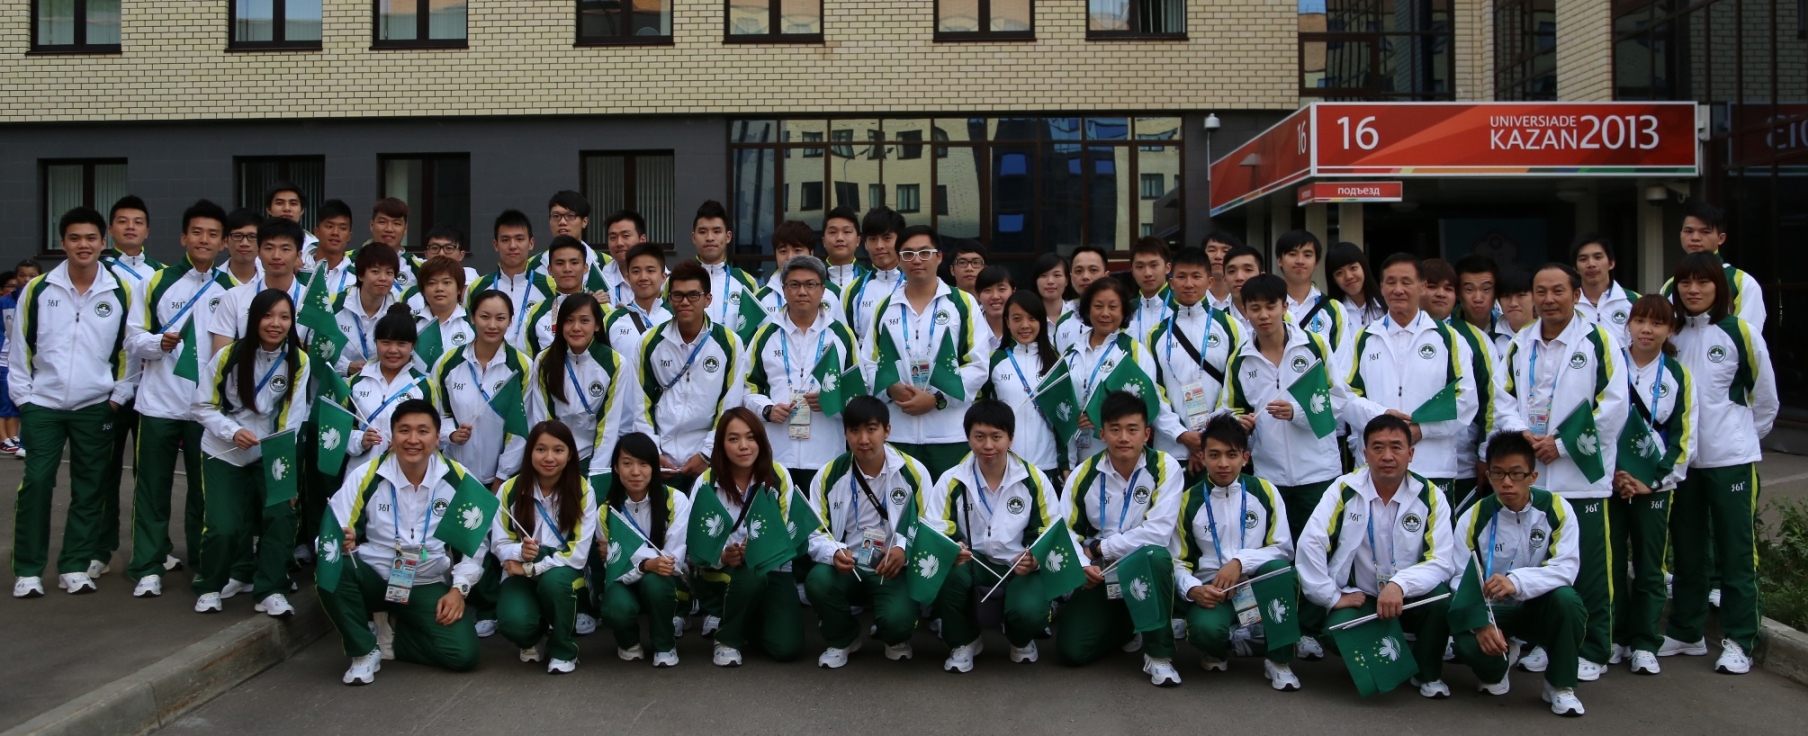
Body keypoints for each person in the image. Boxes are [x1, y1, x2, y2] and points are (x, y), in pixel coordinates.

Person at [1491, 263, 1628, 682]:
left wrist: (1562, 444)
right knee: (1538, 562)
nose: (1549, 299)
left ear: (1575, 294)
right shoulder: (1520, 343)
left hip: (1580, 477)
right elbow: (1503, 399)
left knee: (1589, 570)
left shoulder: (1598, 340)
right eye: (1541, 291)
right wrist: (1523, 436)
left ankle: (1594, 648)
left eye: (1558, 291)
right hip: (1535, 475)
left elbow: (1613, 406)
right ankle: (1544, 642)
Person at [7, 208, 137, 598]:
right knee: (37, 483)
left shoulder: (119, 290)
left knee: (90, 488)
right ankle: (28, 570)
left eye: (91, 238)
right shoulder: (38, 289)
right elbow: (19, 348)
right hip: (43, 405)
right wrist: (25, 399)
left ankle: (75, 565)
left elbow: (129, 351)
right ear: (62, 242)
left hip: (95, 405)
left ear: (103, 242)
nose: (84, 245)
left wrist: (117, 397)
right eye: (75, 238)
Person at [1660, 253, 1776, 675]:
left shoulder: (1739, 331)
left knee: (1735, 552)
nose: (1693, 290)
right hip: (1683, 464)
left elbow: (1766, 399)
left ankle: (1740, 640)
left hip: (1730, 461)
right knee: (1688, 549)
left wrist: (1738, 438)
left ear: (1719, 287)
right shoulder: (1671, 335)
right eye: (1685, 283)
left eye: (1702, 282)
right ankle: (1686, 631)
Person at [320, 399, 485, 685]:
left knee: (463, 655)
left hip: (425, 580)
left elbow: (476, 543)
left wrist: (459, 589)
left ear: (437, 437)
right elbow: (328, 536)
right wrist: (341, 539)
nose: (413, 440)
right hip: (376, 576)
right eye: (404, 430)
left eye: (423, 431)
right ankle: (363, 651)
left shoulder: (459, 478)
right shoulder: (366, 475)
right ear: (392, 435)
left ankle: (395, 635)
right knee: (333, 569)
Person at [1297, 415, 1457, 698]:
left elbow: (1441, 561)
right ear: (1365, 453)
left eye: (1396, 447)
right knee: (1334, 632)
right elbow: (1311, 542)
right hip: (1363, 596)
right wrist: (1331, 597)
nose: (1387, 456)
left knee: (1440, 601)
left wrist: (1400, 585)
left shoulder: (1431, 495)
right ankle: (1393, 653)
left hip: (1411, 595)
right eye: (1378, 447)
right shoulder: (1344, 489)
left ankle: (1427, 673)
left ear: (1410, 454)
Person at [124, 200, 237, 597]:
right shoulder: (155, 282)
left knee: (204, 492)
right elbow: (132, 339)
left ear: (223, 243)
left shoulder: (232, 290)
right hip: (159, 403)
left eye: (212, 234)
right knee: (152, 489)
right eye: (197, 232)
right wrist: (158, 343)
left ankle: (204, 566)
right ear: (183, 237)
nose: (204, 240)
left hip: (206, 409)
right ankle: (147, 565)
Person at [190, 288, 312, 615]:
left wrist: (285, 473)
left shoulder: (298, 360)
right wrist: (232, 431)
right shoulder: (228, 355)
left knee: (281, 516)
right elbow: (201, 406)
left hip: (270, 453)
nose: (276, 324)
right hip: (224, 451)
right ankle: (211, 585)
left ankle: (270, 589)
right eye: (268, 316)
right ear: (254, 319)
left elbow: (292, 419)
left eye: (284, 317)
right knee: (223, 525)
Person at [1449, 431, 1588, 716]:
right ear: (1488, 476)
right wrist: (1480, 622)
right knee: (1469, 646)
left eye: (1516, 474)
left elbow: (1566, 568)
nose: (1507, 483)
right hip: (1493, 611)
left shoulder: (1557, 508)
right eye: (1498, 474)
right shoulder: (1474, 517)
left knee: (1568, 601)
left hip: (1536, 607)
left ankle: (1559, 686)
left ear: (1533, 477)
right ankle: (1499, 661)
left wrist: (1516, 582)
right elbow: (1457, 578)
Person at [923, 399, 1064, 672]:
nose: (988, 445)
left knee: (1029, 612)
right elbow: (936, 528)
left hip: (1018, 566)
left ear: (1011, 438)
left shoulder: (1034, 479)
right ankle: (965, 641)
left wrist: (1035, 557)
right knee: (943, 575)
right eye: (979, 437)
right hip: (972, 563)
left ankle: (1020, 638)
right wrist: (952, 549)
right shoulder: (952, 479)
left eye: (996, 437)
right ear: (968, 438)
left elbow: (1049, 530)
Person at [1057, 391, 1186, 686]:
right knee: (1072, 652)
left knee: (1156, 555)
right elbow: (1065, 531)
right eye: (1115, 430)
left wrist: (1100, 547)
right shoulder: (1082, 474)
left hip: (1144, 567)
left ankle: (1159, 655)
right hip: (1101, 573)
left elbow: (1157, 533)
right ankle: (1129, 625)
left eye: (1132, 429)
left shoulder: (1165, 467)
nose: (1123, 438)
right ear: (1102, 434)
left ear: (1147, 433)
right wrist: (1082, 566)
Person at [802, 395, 933, 667]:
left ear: (887, 430)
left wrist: (903, 549)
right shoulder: (829, 474)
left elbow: (928, 524)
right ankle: (843, 638)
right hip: (848, 565)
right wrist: (834, 552)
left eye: (872, 429)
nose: (863, 439)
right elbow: (815, 532)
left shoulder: (913, 472)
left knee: (896, 624)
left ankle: (892, 634)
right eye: (854, 430)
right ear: (845, 433)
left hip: (893, 568)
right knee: (818, 580)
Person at [1341, 254, 1478, 506]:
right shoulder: (1364, 338)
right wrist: (1383, 419)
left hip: (1433, 466)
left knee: (1433, 530)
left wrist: (1422, 431)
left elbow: (1466, 399)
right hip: (1375, 466)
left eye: (1406, 282)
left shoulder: (1448, 338)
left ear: (1422, 286)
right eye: (1391, 282)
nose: (1398, 289)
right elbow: (1343, 396)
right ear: (1381, 287)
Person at [1221, 274, 1347, 547]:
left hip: (1319, 472)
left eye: (1271, 306)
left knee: (1322, 548)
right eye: (1255, 308)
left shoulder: (1314, 345)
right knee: (1279, 550)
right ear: (1245, 311)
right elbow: (1229, 410)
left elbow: (1338, 399)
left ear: (1285, 306)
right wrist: (1239, 423)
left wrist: (1297, 412)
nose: (1264, 315)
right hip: (1270, 475)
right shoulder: (1239, 360)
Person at [1176, 415, 1300, 690]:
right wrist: (1194, 589)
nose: (1223, 463)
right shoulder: (1188, 500)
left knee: (1280, 571)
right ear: (1202, 457)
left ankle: (1278, 660)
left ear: (1245, 457)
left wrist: (1241, 562)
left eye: (1231, 455)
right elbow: (1178, 560)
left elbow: (1283, 549)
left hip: (1257, 585)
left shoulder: (1264, 491)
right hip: (1214, 591)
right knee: (1205, 631)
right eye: (1215, 455)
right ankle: (1220, 647)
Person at [1611, 294, 1697, 675]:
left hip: (1654, 487)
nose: (1647, 330)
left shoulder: (1678, 375)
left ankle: (1645, 641)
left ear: (1670, 329)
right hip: (1611, 482)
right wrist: (1613, 475)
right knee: (1611, 564)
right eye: (1640, 321)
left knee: (1650, 565)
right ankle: (1614, 636)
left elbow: (1684, 437)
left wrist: (1655, 481)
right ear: (1628, 324)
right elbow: (1593, 423)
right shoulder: (1610, 365)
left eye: (1657, 323)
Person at [862, 225, 991, 478]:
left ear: (939, 257)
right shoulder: (885, 308)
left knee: (949, 501)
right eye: (908, 254)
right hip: (898, 433)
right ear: (899, 260)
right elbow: (869, 363)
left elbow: (977, 365)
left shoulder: (962, 304)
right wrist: (890, 388)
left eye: (924, 252)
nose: (916, 260)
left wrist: (937, 398)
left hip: (950, 435)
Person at [689, 408, 802, 666]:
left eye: (751, 437)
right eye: (733, 439)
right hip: (723, 571)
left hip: (772, 568)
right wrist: (723, 556)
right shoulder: (706, 480)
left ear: (761, 441)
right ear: (721, 445)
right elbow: (695, 542)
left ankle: (743, 619)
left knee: (786, 648)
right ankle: (727, 639)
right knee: (749, 578)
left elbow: (785, 530)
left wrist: (759, 549)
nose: (744, 446)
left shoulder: (778, 475)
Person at [491, 420, 599, 674]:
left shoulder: (582, 489)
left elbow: (578, 553)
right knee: (514, 623)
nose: (549, 458)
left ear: (570, 454)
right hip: (519, 567)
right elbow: (499, 542)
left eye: (558, 450)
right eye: (540, 449)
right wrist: (518, 552)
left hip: (562, 569)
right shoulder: (510, 489)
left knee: (555, 584)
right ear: (529, 452)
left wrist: (531, 568)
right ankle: (533, 634)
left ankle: (563, 649)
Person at [744, 255, 861, 490]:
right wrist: (767, 409)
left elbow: (859, 389)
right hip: (776, 453)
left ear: (823, 290)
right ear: (784, 289)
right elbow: (747, 387)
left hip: (827, 453)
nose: (802, 292)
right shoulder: (765, 335)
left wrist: (833, 400)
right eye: (794, 285)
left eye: (810, 284)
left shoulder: (842, 335)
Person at [641, 260, 747, 490]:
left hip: (708, 460)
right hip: (660, 460)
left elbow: (729, 405)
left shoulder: (729, 343)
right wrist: (651, 451)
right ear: (669, 299)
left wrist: (707, 454)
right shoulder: (650, 342)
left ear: (708, 299)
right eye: (677, 295)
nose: (685, 302)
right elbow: (640, 403)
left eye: (693, 295)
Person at [98, 196, 161, 570]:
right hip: (109, 388)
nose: (131, 227)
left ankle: (151, 549)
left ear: (148, 230)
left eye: (138, 222)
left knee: (150, 477)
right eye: (122, 221)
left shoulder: (162, 274)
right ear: (110, 230)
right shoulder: (99, 271)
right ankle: (100, 548)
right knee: (104, 473)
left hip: (151, 389)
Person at [1063, 276, 1183, 466]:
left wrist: (1180, 434)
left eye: (1113, 307)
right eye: (1098, 306)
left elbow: (1150, 403)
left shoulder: (1134, 351)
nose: (1105, 313)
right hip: (1079, 457)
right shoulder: (1071, 353)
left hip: (1123, 457)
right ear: (1087, 309)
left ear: (1123, 311)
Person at [1423, 258, 1511, 516]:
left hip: (1462, 464)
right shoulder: (1388, 334)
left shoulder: (1476, 339)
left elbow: (1492, 402)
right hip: (1403, 459)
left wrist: (1485, 455)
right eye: (1432, 287)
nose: (1440, 294)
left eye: (1448, 288)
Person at [520, 293, 635, 484]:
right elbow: (542, 418)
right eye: (569, 320)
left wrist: (595, 473)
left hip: (591, 458)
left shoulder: (615, 363)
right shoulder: (544, 360)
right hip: (553, 458)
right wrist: (552, 458)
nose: (576, 327)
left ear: (597, 325)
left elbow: (609, 424)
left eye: (584, 321)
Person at [598, 432, 690, 667]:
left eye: (644, 463)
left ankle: (664, 645)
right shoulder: (607, 511)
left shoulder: (675, 499)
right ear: (616, 467)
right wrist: (645, 565)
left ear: (654, 467)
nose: (636, 471)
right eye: (627, 463)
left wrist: (633, 558)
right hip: (623, 582)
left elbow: (672, 561)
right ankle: (628, 642)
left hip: (665, 580)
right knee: (616, 607)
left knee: (656, 583)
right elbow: (614, 567)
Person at [1147, 247, 1241, 477]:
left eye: (1196, 276)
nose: (1189, 284)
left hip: (1221, 450)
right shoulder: (1156, 334)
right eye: (1181, 276)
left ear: (1209, 281)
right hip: (1171, 450)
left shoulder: (1231, 326)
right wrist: (1180, 434)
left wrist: (1209, 437)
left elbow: (1236, 387)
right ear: (1171, 282)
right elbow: (1152, 391)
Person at [432, 289, 531, 490]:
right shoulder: (447, 363)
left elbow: (522, 427)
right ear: (472, 317)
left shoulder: (522, 366)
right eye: (485, 317)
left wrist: (501, 478)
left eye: (500, 318)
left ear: (510, 321)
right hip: (452, 472)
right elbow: (435, 413)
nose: (492, 325)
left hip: (502, 479)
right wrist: (450, 433)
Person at [982, 292, 1065, 474]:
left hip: (1047, 464)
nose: (1025, 325)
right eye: (1017, 319)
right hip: (1004, 463)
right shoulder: (994, 360)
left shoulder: (1055, 362)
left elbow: (1064, 418)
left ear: (1041, 321)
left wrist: (1066, 465)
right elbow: (981, 409)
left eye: (1032, 318)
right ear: (1007, 321)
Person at [1659, 201, 1765, 332]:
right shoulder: (1670, 285)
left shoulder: (1742, 282)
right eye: (1688, 231)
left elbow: (1747, 336)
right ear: (1680, 234)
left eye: (1705, 232)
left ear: (1721, 238)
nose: (1695, 238)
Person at [209, 218, 309, 352]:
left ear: (298, 255)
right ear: (258, 252)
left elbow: (318, 358)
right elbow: (220, 356)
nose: (276, 256)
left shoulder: (312, 302)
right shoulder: (234, 297)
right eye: (269, 248)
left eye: (285, 249)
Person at [467, 210, 556, 354]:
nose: (513, 245)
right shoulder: (477, 287)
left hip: (535, 364)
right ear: (496, 245)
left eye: (519, 239)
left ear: (531, 243)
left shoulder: (550, 286)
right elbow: (468, 330)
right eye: (505, 240)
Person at [1275, 230, 1353, 375]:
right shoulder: (1267, 306)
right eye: (1292, 254)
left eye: (1307, 255)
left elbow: (1342, 364)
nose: (1300, 260)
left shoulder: (1333, 309)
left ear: (1316, 262)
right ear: (1279, 260)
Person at [690, 200, 762, 335]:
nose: (710, 237)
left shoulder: (746, 282)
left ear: (728, 237)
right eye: (703, 231)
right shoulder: (678, 280)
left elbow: (756, 331)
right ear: (694, 237)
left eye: (717, 231)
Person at [332, 243, 402, 375]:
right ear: (360, 275)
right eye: (375, 271)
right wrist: (347, 367)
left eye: (389, 273)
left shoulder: (399, 312)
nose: (383, 278)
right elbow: (317, 349)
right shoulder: (334, 304)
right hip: (338, 383)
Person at [756, 221, 845, 322]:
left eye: (797, 250)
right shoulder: (759, 299)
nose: (790, 257)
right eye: (783, 251)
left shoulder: (835, 294)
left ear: (811, 253)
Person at [0, 259, 44, 458]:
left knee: (37, 402)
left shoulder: (45, 299)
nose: (26, 280)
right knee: (12, 401)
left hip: (40, 359)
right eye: (22, 275)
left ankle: (31, 441)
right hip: (9, 359)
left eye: (32, 276)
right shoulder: (5, 302)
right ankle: (15, 440)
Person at [531, 191, 610, 301]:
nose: (562, 222)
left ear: (584, 221)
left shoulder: (607, 264)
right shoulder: (532, 266)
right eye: (556, 216)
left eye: (570, 216)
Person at [842, 207, 906, 341]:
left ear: (901, 241)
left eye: (887, 238)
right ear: (865, 244)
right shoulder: (852, 290)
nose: (879, 246)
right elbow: (846, 341)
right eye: (872, 239)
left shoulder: (915, 284)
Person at [601, 242, 672, 361]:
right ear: (628, 278)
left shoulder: (676, 317)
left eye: (650, 271)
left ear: (663, 277)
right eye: (636, 271)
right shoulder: (611, 320)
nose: (643, 277)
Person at [528, 236, 596, 354]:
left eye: (574, 263)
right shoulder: (536, 312)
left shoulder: (602, 309)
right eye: (560, 263)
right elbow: (529, 358)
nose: (567, 269)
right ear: (550, 270)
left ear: (585, 268)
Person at [1572, 235, 1639, 348]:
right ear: (1575, 268)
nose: (1591, 264)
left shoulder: (1636, 301)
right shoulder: (1567, 304)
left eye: (1598, 257)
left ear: (1611, 263)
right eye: (1583, 259)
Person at [410, 256, 473, 372]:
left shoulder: (474, 322)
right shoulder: (410, 325)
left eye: (447, 282)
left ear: (459, 288)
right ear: (423, 290)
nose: (439, 288)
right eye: (431, 283)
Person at [1454, 254, 1515, 363]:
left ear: (1496, 293)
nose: (1478, 298)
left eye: (1486, 289)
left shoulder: (1509, 327)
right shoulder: (1447, 327)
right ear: (1457, 293)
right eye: (1469, 289)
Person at [356, 198, 419, 291]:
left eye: (396, 223)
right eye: (382, 222)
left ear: (405, 229)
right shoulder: (348, 261)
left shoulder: (417, 267)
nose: (389, 229)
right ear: (371, 225)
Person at [1053, 245, 1108, 351]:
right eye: (1079, 271)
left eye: (1093, 270)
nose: (1085, 276)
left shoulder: (1119, 317)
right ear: (1071, 277)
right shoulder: (1063, 321)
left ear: (1106, 276)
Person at [303, 200, 359, 298]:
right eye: (329, 226)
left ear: (349, 236)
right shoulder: (299, 269)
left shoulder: (358, 277)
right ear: (316, 232)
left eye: (342, 228)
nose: (335, 233)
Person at [1326, 241, 1385, 329]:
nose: (1348, 276)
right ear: (1333, 280)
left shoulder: (1387, 305)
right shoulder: (1329, 313)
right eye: (1339, 273)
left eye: (1353, 268)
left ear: (1363, 267)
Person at [598, 210, 651, 305]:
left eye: (626, 236)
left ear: (642, 240)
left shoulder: (662, 279)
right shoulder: (602, 279)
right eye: (613, 237)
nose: (619, 243)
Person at [1126, 237, 1173, 341]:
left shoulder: (1181, 307)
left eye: (1154, 265)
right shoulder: (1125, 310)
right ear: (1132, 271)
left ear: (1167, 268)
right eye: (1140, 267)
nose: (1147, 273)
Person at [1220, 244, 1265, 334]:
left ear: (1262, 276)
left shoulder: (1283, 317)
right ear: (1224, 279)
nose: (1239, 277)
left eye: (1248, 270)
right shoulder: (1216, 321)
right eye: (1232, 271)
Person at [820, 206, 867, 292]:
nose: (840, 238)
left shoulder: (868, 280)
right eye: (833, 232)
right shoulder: (813, 281)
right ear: (824, 241)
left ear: (858, 241)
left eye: (847, 232)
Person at [264, 181, 318, 253]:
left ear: (302, 210)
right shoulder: (255, 243)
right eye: (279, 203)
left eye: (293, 203)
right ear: (268, 209)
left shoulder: (316, 247)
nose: (287, 208)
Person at [1027, 252, 1073, 336]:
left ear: (1067, 280)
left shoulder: (1077, 315)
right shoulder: (1027, 317)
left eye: (1057, 275)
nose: (1050, 281)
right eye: (1043, 276)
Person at [973, 265, 1013, 352]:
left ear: (1013, 291)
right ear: (978, 295)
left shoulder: (1024, 327)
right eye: (987, 290)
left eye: (1001, 289)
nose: (995, 296)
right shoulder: (969, 326)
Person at [1200, 231, 1243, 313]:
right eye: (1212, 250)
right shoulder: (1191, 298)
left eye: (1225, 251)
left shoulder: (1246, 299)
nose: (1218, 256)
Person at [221, 208, 264, 286]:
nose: (244, 243)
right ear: (226, 240)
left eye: (252, 236)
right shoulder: (212, 280)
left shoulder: (271, 279)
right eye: (237, 236)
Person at [1497, 268, 1536, 337]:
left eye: (1521, 295)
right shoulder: (1488, 339)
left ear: (1534, 298)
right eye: (1506, 296)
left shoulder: (1549, 334)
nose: (1513, 303)